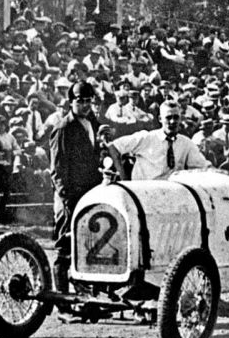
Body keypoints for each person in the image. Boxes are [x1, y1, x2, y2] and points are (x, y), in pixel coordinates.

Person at [46, 79, 106, 290]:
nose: (85, 105)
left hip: (90, 193)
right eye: (80, 101)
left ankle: (85, 289)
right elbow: (57, 170)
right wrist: (67, 200)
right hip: (70, 196)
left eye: (89, 101)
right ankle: (62, 298)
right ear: (71, 102)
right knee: (65, 247)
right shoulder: (63, 128)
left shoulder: (92, 123)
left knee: (89, 243)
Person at [109, 101, 211, 181]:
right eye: (168, 118)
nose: (172, 121)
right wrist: (124, 180)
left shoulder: (186, 143)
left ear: (180, 119)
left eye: (176, 117)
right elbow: (114, 147)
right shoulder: (147, 138)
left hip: (173, 193)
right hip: (143, 192)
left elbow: (204, 166)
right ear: (160, 119)